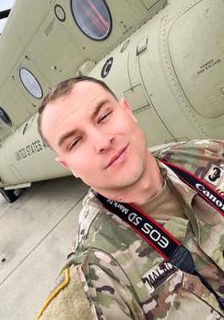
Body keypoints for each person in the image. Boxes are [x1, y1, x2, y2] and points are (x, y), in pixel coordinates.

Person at [36, 75, 224, 319]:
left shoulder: (210, 154)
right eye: (75, 142)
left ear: (127, 111)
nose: (103, 141)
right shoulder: (97, 277)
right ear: (68, 166)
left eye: (104, 117)